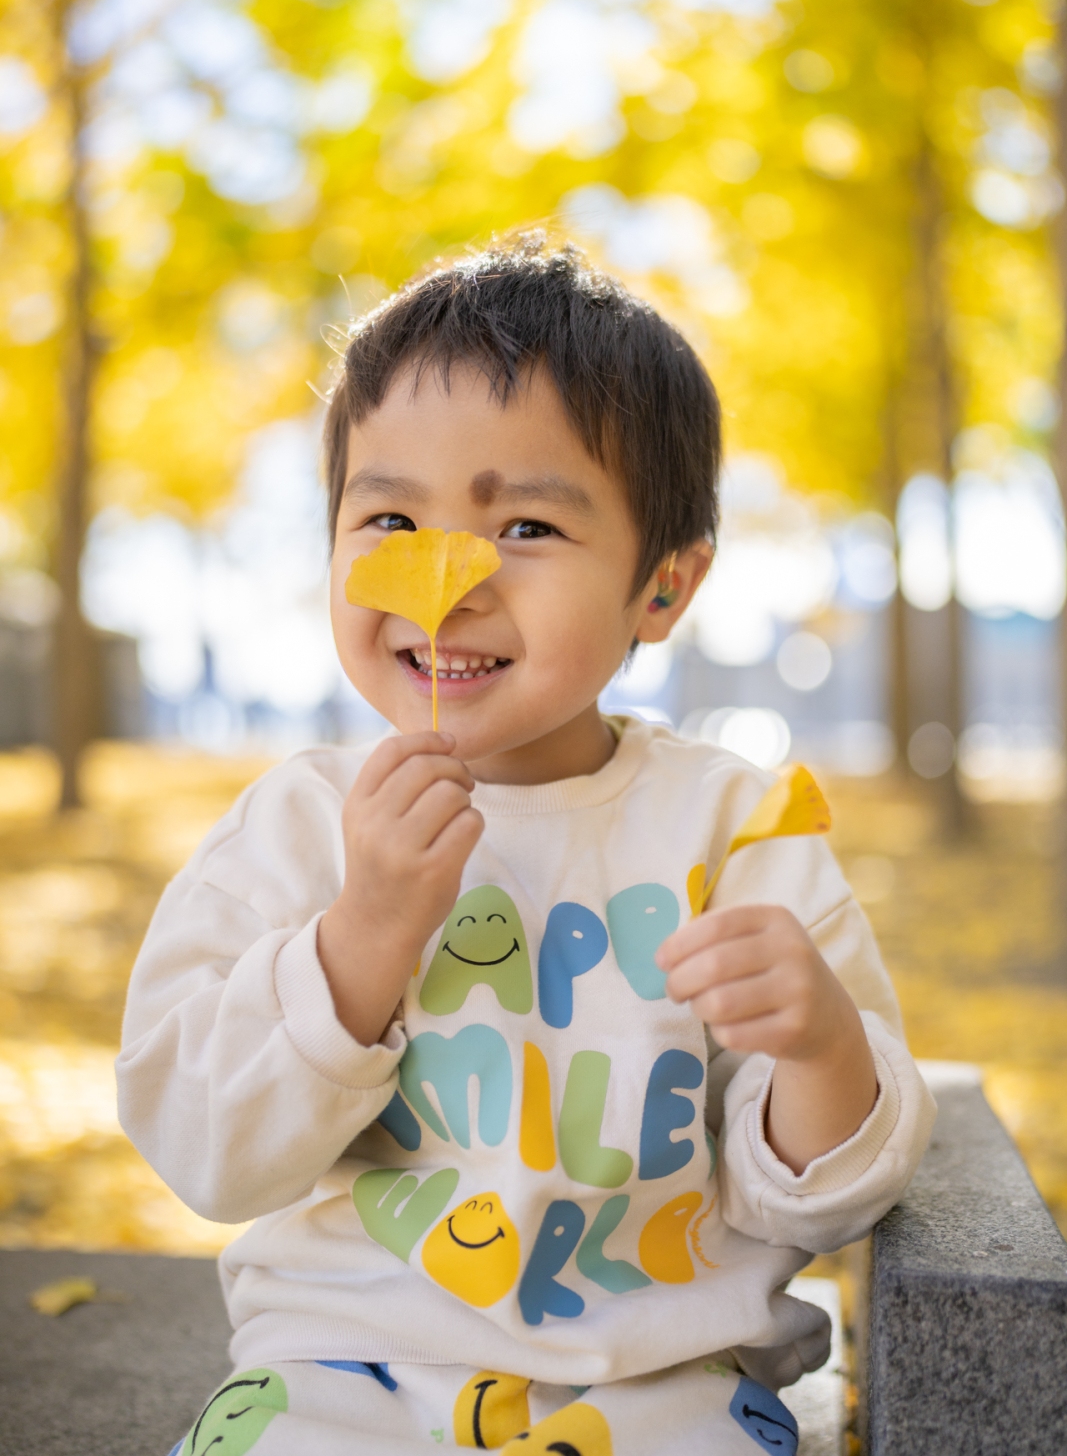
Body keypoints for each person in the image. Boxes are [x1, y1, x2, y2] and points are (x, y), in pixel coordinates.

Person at [118, 237, 935, 1456]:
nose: (445, 582)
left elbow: (825, 1195)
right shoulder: (295, 827)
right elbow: (201, 1148)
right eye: (390, 515)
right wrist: (359, 942)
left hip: (662, 1373)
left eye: (528, 527)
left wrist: (817, 1043)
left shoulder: (738, 831)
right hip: (351, 1362)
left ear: (660, 588)